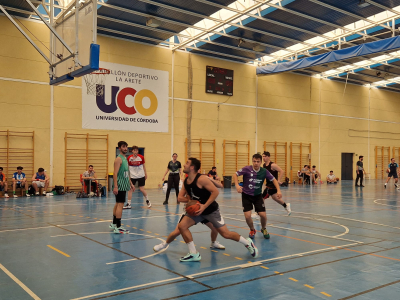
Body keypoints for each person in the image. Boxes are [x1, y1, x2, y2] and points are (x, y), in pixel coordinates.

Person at [177, 158, 258, 262]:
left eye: (187, 163)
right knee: (182, 226)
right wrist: (192, 202)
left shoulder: (201, 179)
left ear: (192, 167)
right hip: (197, 211)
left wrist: (203, 206)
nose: (184, 165)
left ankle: (247, 243)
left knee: (226, 234)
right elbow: (180, 198)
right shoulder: (186, 182)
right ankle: (194, 254)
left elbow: (215, 192)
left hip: (210, 210)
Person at [153, 175, 226, 252]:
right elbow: (180, 198)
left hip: (204, 210)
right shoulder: (187, 184)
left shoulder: (203, 180)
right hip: (193, 210)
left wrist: (211, 179)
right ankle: (164, 244)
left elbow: (220, 186)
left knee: (215, 228)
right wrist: (192, 202)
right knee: (177, 231)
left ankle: (213, 243)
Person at [233, 153, 282, 239]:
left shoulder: (264, 171)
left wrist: (278, 190)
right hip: (246, 195)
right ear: (252, 161)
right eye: (254, 161)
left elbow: (274, 179)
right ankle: (252, 229)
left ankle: (263, 229)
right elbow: (235, 174)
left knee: (263, 215)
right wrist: (237, 185)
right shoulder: (246, 169)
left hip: (257, 196)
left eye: (258, 161)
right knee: (247, 216)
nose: (256, 163)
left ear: (260, 162)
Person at [109, 141, 135, 234]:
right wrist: (115, 186)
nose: (125, 148)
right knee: (120, 204)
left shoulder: (125, 158)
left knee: (117, 204)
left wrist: (131, 183)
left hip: (124, 185)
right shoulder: (118, 159)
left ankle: (114, 223)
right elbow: (115, 173)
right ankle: (118, 227)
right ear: (119, 148)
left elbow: (127, 173)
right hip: (120, 185)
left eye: (126, 147)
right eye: (123, 147)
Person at [261, 151, 291, 216]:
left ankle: (260, 213)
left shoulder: (272, 165)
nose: (263, 158)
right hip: (268, 184)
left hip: (272, 185)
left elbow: (281, 171)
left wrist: (278, 180)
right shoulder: (264, 165)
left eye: (265, 156)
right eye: (263, 156)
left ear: (268, 157)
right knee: (275, 198)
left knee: (261, 198)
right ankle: (286, 206)